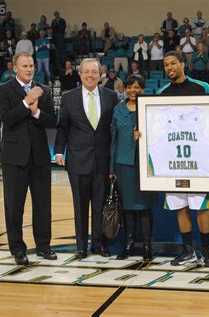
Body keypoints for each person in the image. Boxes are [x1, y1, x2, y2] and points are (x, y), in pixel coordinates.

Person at [155, 51, 209, 268]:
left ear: (183, 64)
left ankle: (207, 252)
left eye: (173, 63)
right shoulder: (161, 93)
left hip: (198, 160)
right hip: (173, 161)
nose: (169, 67)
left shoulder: (202, 88)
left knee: (201, 207)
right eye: (166, 64)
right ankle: (188, 251)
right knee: (180, 206)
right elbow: (157, 127)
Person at [0, 51, 57, 265]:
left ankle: (43, 246)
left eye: (31, 65)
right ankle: (18, 250)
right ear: (15, 68)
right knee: (14, 206)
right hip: (14, 159)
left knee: (42, 205)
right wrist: (26, 103)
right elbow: (7, 119)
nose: (29, 69)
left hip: (39, 157)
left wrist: (36, 112)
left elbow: (52, 121)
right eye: (25, 66)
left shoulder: (45, 91)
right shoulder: (2, 90)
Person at [54, 58, 119, 260]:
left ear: (100, 75)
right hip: (77, 160)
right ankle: (81, 247)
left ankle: (99, 245)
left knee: (100, 206)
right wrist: (58, 151)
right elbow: (63, 127)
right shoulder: (68, 97)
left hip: (102, 161)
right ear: (80, 74)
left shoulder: (111, 96)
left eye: (94, 72)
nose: (90, 75)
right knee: (80, 207)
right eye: (86, 72)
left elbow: (113, 129)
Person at [109, 76, 154, 261]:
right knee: (127, 207)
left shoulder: (149, 109)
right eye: (129, 87)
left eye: (137, 87)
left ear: (143, 89)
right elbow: (113, 141)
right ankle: (128, 245)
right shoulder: (118, 110)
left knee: (145, 206)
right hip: (123, 164)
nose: (133, 90)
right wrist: (111, 168)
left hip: (146, 165)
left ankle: (147, 246)